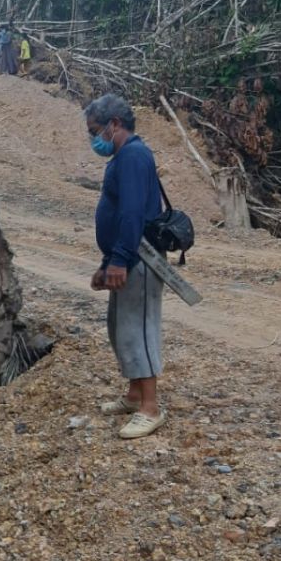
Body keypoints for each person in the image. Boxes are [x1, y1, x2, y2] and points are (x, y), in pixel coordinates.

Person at [85, 94, 166, 440]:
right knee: (120, 326)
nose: (94, 139)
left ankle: (151, 408)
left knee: (139, 328)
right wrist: (107, 262)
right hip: (125, 256)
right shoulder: (123, 156)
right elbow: (118, 215)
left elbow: (133, 213)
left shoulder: (133, 155)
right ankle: (134, 396)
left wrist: (120, 259)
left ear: (114, 123)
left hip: (140, 257)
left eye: (95, 130)